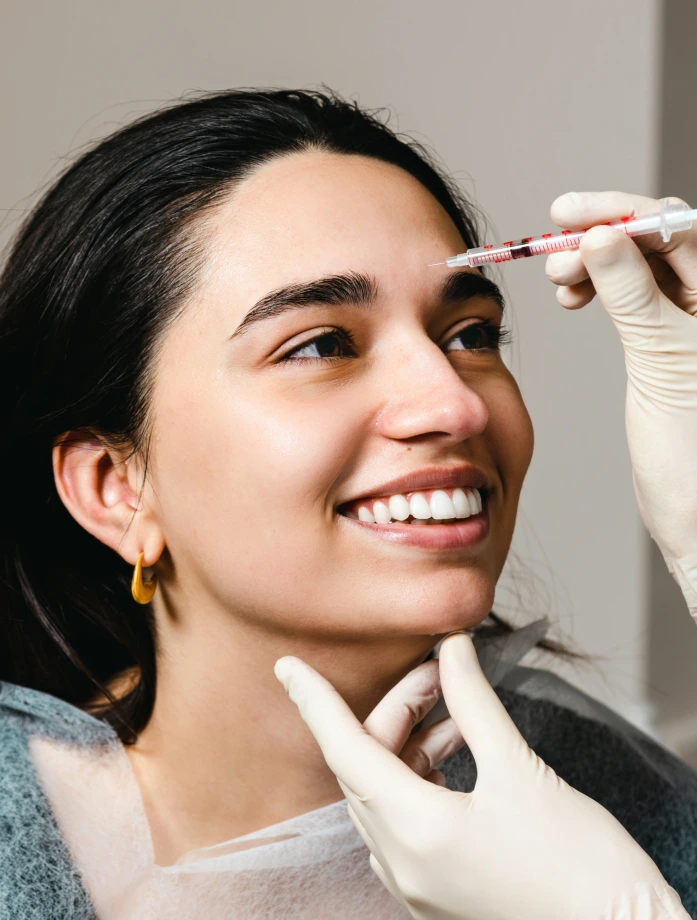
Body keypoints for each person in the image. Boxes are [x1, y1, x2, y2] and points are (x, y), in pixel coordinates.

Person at [0, 88, 695, 919]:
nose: (455, 406)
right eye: (321, 344)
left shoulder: (633, 813)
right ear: (117, 489)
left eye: (469, 334)